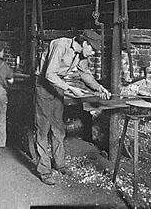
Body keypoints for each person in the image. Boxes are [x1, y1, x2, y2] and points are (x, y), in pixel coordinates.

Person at [35, 29, 111, 185]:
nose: (92, 54)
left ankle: (60, 164)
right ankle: (44, 171)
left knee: (58, 128)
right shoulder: (60, 45)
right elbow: (49, 74)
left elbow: (85, 74)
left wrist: (98, 87)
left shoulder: (81, 54)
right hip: (43, 86)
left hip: (57, 87)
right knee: (43, 129)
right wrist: (70, 89)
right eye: (92, 49)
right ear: (84, 43)